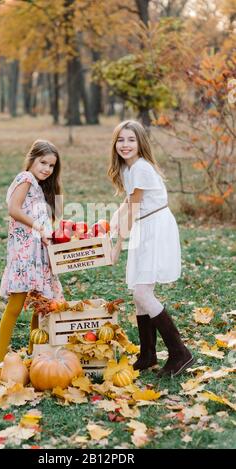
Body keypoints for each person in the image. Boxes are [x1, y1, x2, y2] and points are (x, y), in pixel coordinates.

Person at [108, 120, 194, 377]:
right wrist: (111, 222)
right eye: (121, 140)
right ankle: (147, 354)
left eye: (131, 140)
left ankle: (180, 352)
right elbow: (128, 202)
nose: (125, 145)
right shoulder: (128, 168)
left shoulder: (142, 168)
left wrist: (117, 244)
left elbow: (134, 207)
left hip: (155, 228)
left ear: (140, 143)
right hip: (146, 227)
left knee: (144, 293)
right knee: (138, 293)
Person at [0, 139, 64, 366]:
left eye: (51, 166)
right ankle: (0, 359)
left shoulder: (41, 187)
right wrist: (38, 227)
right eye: (42, 162)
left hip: (39, 254)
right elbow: (14, 209)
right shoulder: (25, 179)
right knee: (16, 304)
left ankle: (35, 354)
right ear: (32, 159)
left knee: (40, 306)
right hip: (24, 254)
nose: (46, 168)